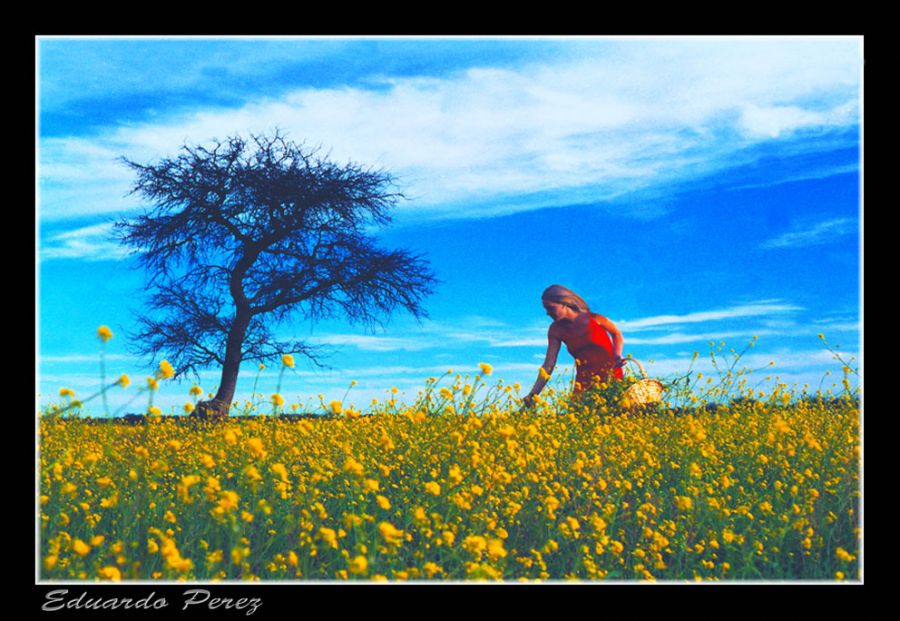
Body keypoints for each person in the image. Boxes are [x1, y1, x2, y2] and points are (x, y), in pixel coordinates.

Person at [523, 284, 625, 406]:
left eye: (550, 308)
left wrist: (617, 354)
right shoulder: (555, 330)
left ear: (564, 303)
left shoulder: (594, 318)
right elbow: (548, 365)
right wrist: (533, 395)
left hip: (611, 375)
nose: (547, 313)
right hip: (583, 381)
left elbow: (616, 333)